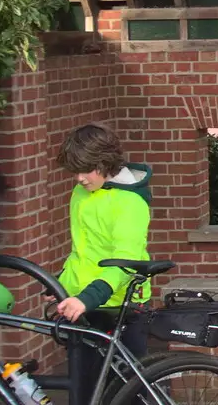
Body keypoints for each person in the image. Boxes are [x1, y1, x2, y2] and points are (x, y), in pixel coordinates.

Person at [56, 123, 152, 364]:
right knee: (87, 392)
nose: (79, 178)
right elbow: (83, 250)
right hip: (86, 304)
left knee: (131, 390)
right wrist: (61, 283)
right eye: (75, 171)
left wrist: (88, 297)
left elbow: (126, 262)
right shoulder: (82, 192)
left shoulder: (130, 203)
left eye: (87, 170)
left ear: (105, 163)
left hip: (120, 308)